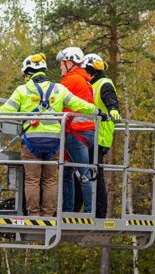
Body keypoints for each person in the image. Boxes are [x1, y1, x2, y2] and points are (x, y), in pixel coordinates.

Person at [0, 53, 100, 217]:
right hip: (54, 143)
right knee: (50, 180)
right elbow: (78, 104)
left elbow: (4, 112)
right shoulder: (59, 89)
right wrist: (97, 111)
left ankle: (33, 215)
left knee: (32, 180)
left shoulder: (22, 90)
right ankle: (48, 215)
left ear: (28, 74)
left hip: (32, 142)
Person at [56, 47, 96, 214]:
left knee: (82, 174)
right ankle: (68, 211)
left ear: (70, 62)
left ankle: (87, 212)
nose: (60, 67)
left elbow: (56, 101)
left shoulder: (71, 80)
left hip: (75, 133)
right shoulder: (85, 80)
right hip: (86, 133)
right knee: (68, 173)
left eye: (62, 64)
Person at [84, 53, 121, 219]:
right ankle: (92, 210)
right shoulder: (95, 84)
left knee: (95, 175)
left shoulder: (103, 84)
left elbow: (111, 99)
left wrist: (114, 109)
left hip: (99, 137)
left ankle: (99, 213)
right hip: (93, 136)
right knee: (88, 173)